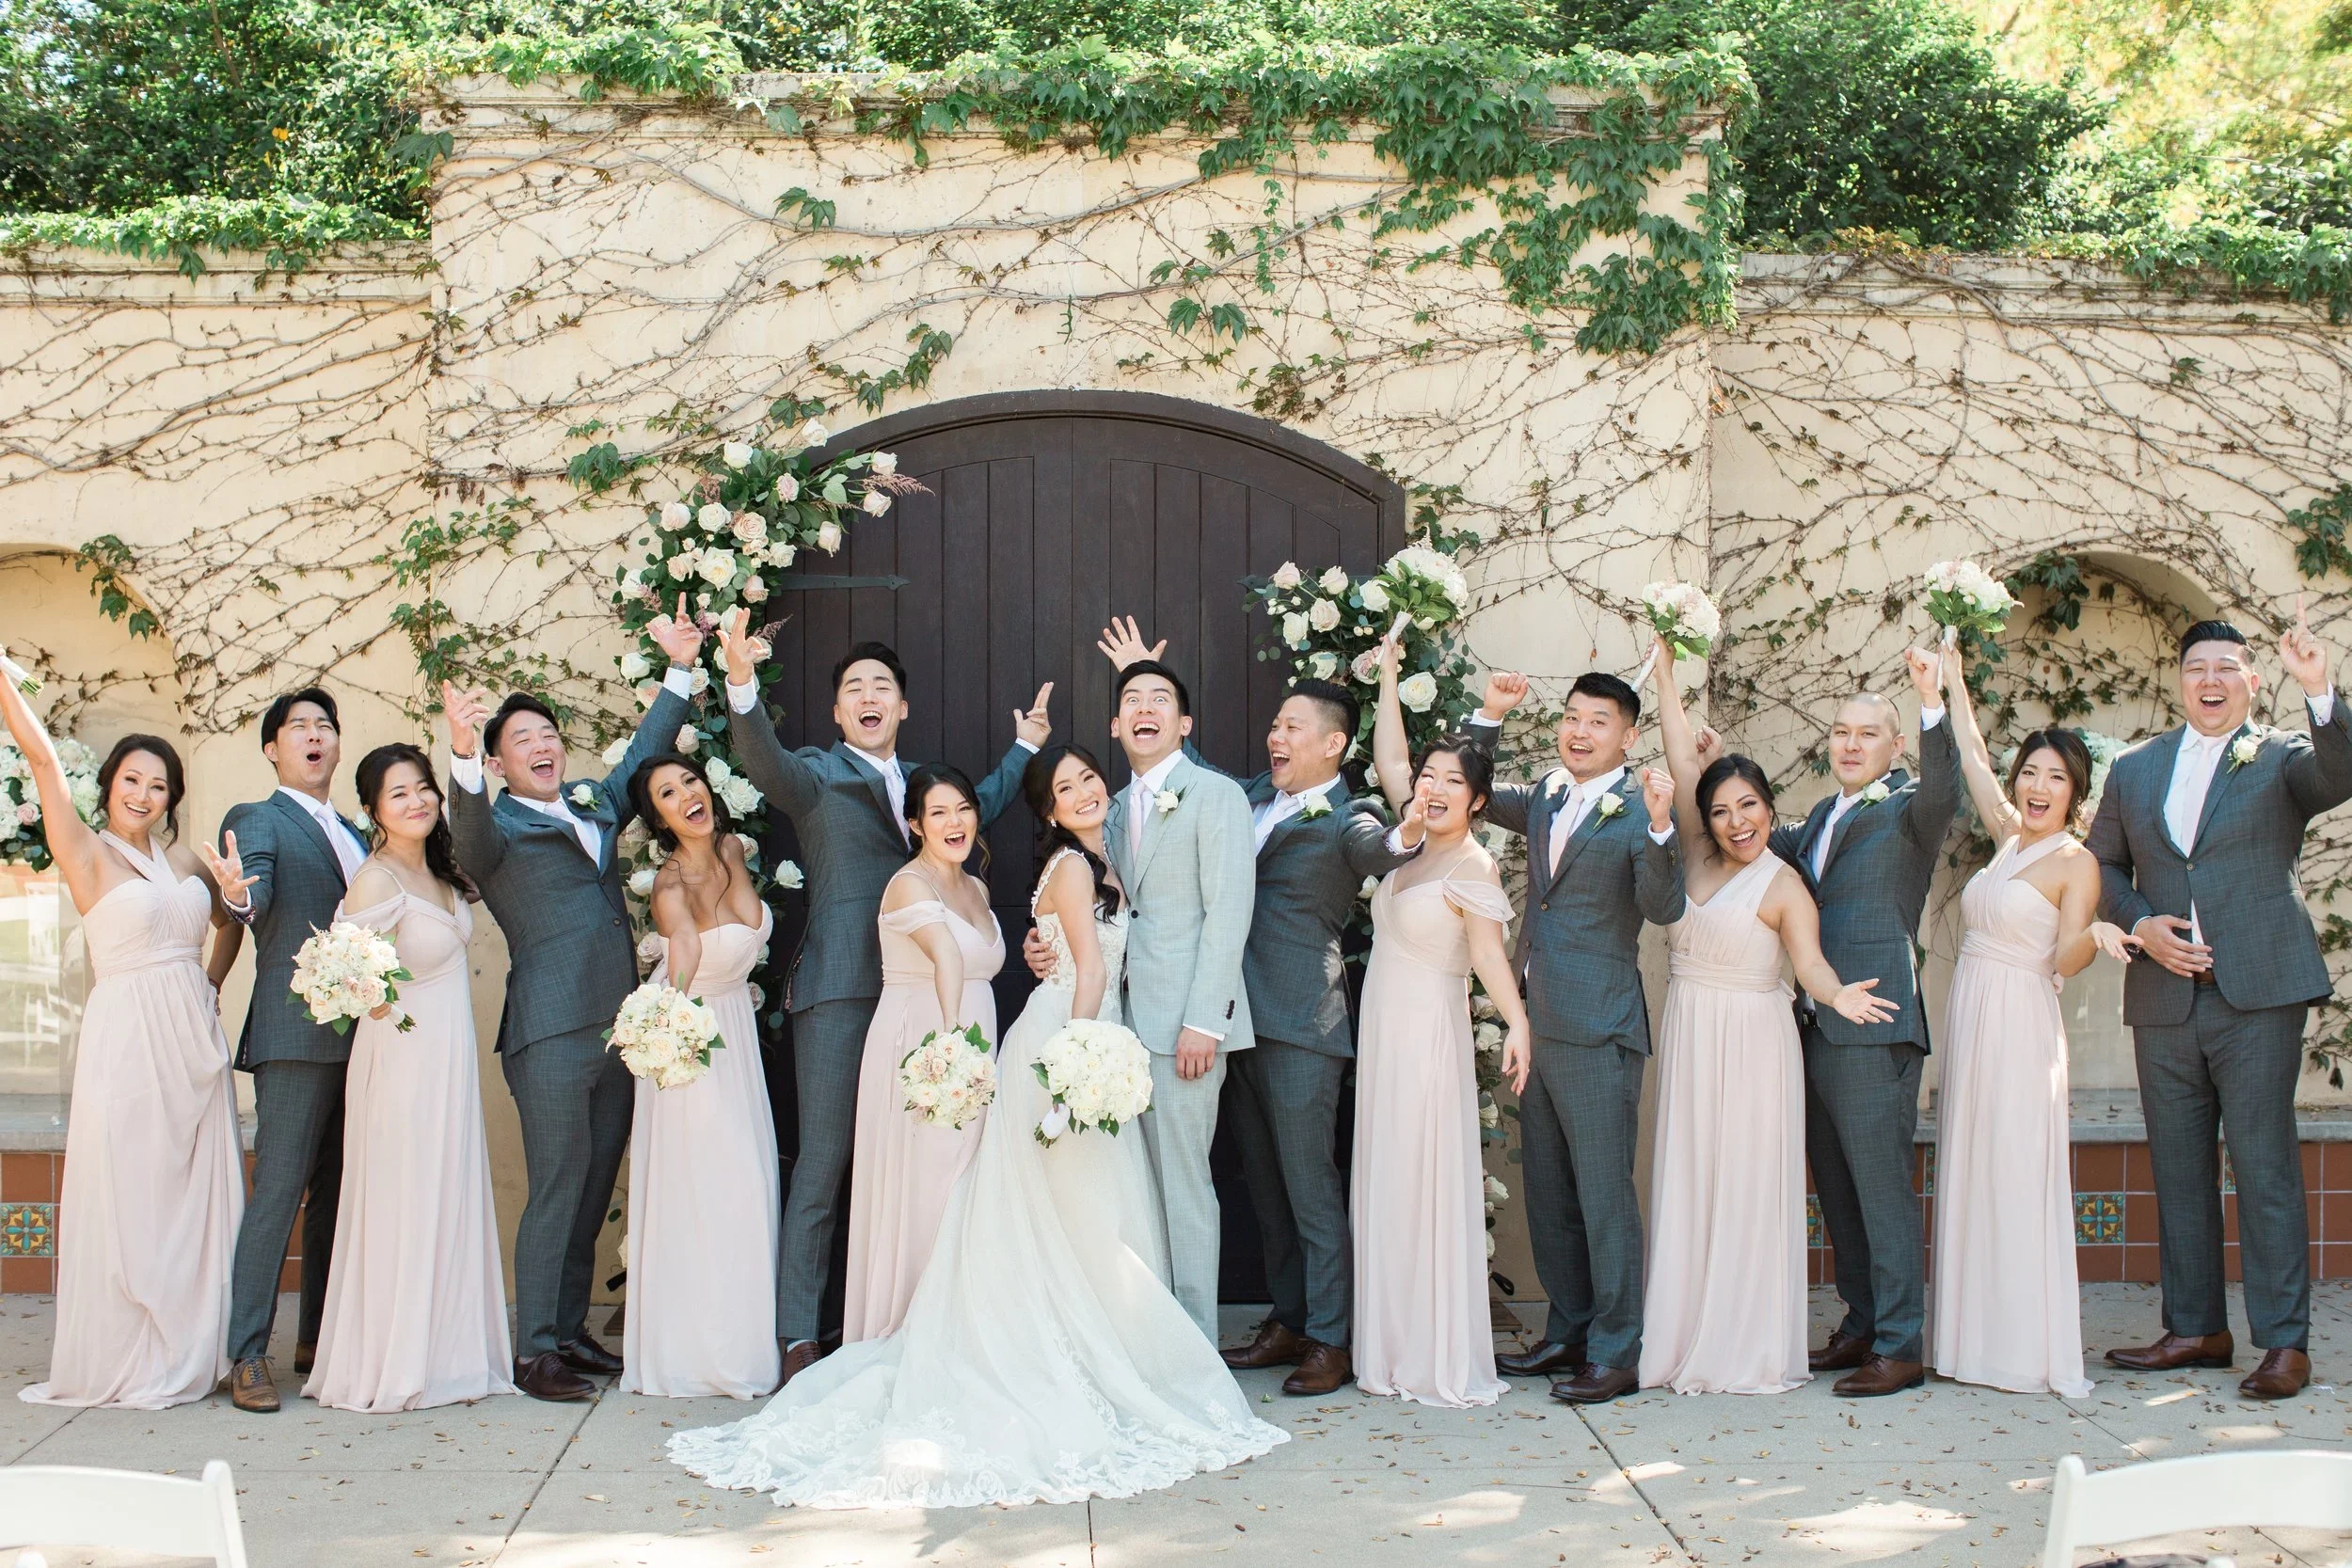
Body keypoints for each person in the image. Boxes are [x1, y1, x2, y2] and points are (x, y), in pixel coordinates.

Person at [666, 743, 1286, 1508]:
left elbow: (1078, 950)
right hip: (1067, 1048)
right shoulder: (1071, 867)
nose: (1085, 791)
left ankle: (1094, 1352)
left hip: (1074, 1039)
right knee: (1076, 1216)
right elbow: (1086, 970)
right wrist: (1077, 1055)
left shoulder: (1101, 862)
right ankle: (1067, 1361)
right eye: (1065, 787)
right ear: (1048, 811)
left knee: (1074, 1221)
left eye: (1091, 778)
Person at [1080, 617, 1422, 1397]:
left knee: (1309, 1186)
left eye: (1292, 727)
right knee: (1263, 1185)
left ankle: (1333, 1336)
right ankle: (1291, 1315)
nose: (1275, 736)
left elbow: (1381, 849)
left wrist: (1409, 828)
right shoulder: (1253, 795)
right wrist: (1143, 681)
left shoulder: (1349, 814)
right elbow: (1175, 779)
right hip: (1237, 1022)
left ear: (1332, 745)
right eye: (1273, 724)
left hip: (1302, 1019)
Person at [722, 616, 1044, 1385]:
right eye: (853, 689)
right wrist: (740, 683)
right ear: (837, 713)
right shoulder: (814, 774)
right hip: (843, 990)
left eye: (882, 688)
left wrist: (1026, 747)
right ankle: (801, 1330)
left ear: (902, 707)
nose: (868, 697)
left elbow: (980, 804)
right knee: (827, 1160)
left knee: (934, 1160)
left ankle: (921, 1313)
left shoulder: (930, 793)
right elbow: (761, 759)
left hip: (925, 1008)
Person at [441, 595, 705, 1402]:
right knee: (557, 1181)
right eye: (521, 739)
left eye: (549, 733)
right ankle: (531, 1352)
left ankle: (566, 1329)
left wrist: (680, 667)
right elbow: (469, 836)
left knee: (595, 1182)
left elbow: (640, 763)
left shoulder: (591, 804)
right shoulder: (495, 829)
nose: (542, 744)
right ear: (499, 762)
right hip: (549, 1029)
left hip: (619, 1027)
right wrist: (458, 760)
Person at [2088, 609, 2352, 1401]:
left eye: (2226, 667)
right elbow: (2100, 862)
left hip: (2259, 993)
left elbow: (2341, 774)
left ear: (2251, 680)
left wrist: (2321, 688)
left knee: (2264, 1162)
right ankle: (2196, 1327)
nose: (2210, 679)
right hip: (2163, 994)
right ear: (2179, 680)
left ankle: (2283, 1342)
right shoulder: (2135, 768)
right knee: (2178, 1167)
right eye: (2197, 666)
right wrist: (2140, 925)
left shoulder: (2283, 757)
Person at [1642, 638, 1899, 1395]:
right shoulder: (1693, 853)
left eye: (1749, 805)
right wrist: (1664, 678)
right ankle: (1688, 1330)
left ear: (1770, 809)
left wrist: (1838, 994)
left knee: (1747, 1184)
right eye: (1721, 811)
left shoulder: (1783, 881)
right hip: (1695, 1036)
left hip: (1755, 1045)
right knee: (1695, 1179)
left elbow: (1811, 961)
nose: (1734, 819)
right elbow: (1684, 763)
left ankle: (1744, 1340)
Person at [4, 673, 244, 1410]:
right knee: (134, 1192)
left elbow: (228, 923)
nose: (144, 794)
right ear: (108, 787)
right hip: (129, 1039)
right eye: (132, 780)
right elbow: (43, 762)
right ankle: (132, 1351)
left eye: (159, 785)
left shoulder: (186, 862)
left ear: (173, 798)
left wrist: (209, 983)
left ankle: (204, 1345)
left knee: (201, 1198)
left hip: (194, 1039)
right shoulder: (85, 850)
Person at [1467, 668, 1682, 1405]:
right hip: (1537, 1022)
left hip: (1600, 1026)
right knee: (1549, 1190)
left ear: (1627, 734)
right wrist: (1490, 715)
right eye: (1571, 717)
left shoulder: (1637, 808)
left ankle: (1618, 1349)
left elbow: (1661, 904)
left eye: (1597, 721)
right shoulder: (1546, 796)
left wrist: (1659, 825)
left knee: (1602, 1194)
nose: (1579, 731)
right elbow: (1472, 788)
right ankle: (1570, 1329)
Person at [1934, 653, 2137, 1398]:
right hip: (1974, 1012)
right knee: (1974, 1163)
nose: (2037, 786)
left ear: (2077, 791)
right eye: (2031, 772)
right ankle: (1967, 1340)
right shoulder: (2008, 835)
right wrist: (1952, 682)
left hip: (2021, 1019)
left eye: (2055, 777)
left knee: (2015, 1171)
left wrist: (2102, 938)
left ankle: (2018, 1347)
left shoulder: (2074, 862)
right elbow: (1973, 758)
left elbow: (2067, 952)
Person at [1763, 646, 1956, 1397]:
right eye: (1840, 732)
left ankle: (1901, 1343)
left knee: (1880, 1189)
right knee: (1837, 1188)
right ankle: (1864, 1320)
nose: (1848, 743)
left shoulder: (1911, 807)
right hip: (1815, 1024)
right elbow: (1751, 842)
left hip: (1875, 1022)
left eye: (1867, 733)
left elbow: (1948, 790)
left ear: (1895, 745)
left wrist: (1932, 700)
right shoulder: (1820, 815)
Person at [298, 744, 515, 1412]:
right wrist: (383, 1005)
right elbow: (332, 974)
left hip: (448, 1058)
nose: (418, 800)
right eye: (399, 793)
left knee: (444, 1189)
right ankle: (395, 1361)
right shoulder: (375, 879)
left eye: (423, 788)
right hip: (401, 1059)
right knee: (403, 1196)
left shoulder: (444, 877)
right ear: (373, 810)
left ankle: (448, 1356)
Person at [1349, 641, 1531, 1407]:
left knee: (1422, 1178)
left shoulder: (1472, 866)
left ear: (1479, 801)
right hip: (1384, 1028)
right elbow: (1391, 753)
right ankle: (1387, 1343)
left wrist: (1518, 1025)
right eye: (1428, 777)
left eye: (1452, 781)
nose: (1431, 787)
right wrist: (1388, 676)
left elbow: (1489, 956)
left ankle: (1430, 1347)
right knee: (1386, 1179)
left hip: (1427, 1033)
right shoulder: (1410, 836)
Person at [210, 686, 370, 1414]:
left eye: (325, 726)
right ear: (273, 748)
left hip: (363, 1041)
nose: (314, 735)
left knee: (339, 1194)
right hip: (295, 1034)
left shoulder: (357, 831)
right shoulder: (258, 818)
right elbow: (256, 896)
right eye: (298, 726)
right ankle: (246, 1352)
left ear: (337, 745)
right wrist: (239, 898)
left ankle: (316, 1341)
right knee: (278, 1190)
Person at [1100, 657, 1257, 1342]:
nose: (1145, 707)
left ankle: (1195, 1340)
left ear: (1183, 723)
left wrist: (1205, 1021)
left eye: (1160, 698)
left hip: (1184, 1027)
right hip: (1118, 1026)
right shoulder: (1108, 807)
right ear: (1115, 724)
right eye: (1132, 698)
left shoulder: (1215, 795)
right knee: (1136, 1186)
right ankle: (1150, 1330)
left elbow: (1228, 913)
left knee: (1186, 1184)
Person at [619, 752, 782, 1399]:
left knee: (750, 1183)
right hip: (692, 1036)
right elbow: (683, 957)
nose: (686, 792)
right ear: (657, 817)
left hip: (734, 1027)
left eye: (689, 780)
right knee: (717, 1186)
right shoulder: (669, 885)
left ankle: (741, 1347)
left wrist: (732, 857)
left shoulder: (731, 850)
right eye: (667, 791)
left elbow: (747, 919)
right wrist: (671, 1033)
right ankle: (695, 1353)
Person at [841, 764, 1007, 1343]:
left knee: (971, 1181)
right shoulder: (909, 884)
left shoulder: (977, 887)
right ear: (915, 824)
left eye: (963, 807)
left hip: (973, 1045)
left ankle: (966, 1323)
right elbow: (948, 956)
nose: (955, 821)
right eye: (938, 812)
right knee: (933, 1182)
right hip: (929, 1045)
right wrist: (954, 1044)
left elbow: (979, 961)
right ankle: (919, 1326)